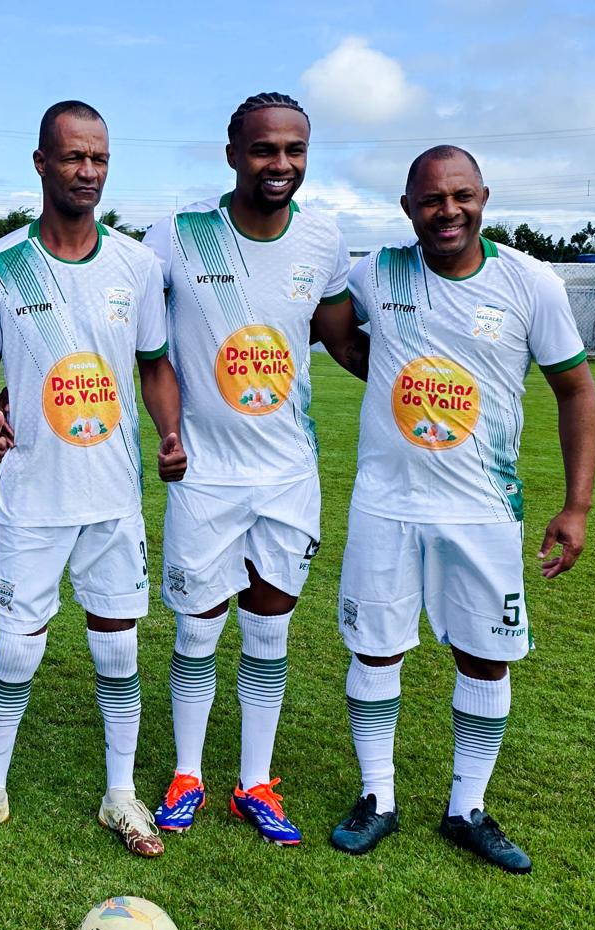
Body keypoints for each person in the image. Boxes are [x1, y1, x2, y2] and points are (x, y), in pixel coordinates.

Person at [329, 145, 595, 874]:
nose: (446, 211)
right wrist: (379, 373)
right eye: (430, 200)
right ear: (407, 208)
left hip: (483, 506)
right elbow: (333, 328)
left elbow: (575, 390)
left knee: (486, 654)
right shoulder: (377, 272)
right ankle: (377, 797)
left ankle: (467, 808)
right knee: (375, 647)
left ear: (483, 197)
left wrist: (576, 506)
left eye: (461, 196)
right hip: (386, 503)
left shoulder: (530, 283)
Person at [0, 100, 184, 860]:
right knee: (18, 650)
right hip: (31, 495)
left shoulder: (136, 267)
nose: (88, 171)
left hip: (112, 497)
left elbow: (155, 367)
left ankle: (121, 794)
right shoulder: (0, 264)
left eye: (99, 158)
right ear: (41, 163)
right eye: (74, 156)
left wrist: (170, 432)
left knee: (118, 649)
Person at [141, 92, 365, 845]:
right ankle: (188, 776)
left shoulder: (324, 239)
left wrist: (430, 375)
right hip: (202, 476)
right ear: (233, 153)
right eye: (265, 149)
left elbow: (347, 342)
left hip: (287, 476)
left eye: (295, 150)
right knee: (196, 632)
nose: (281, 163)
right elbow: (115, 318)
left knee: (270, 633)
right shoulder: (178, 236)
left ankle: (256, 784)